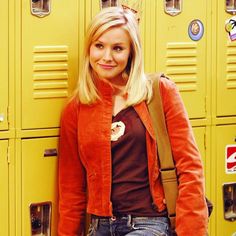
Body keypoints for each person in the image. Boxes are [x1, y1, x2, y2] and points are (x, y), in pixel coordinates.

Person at [58, 6, 208, 236]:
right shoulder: (76, 109)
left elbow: (190, 168)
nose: (107, 57)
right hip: (100, 226)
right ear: (89, 49)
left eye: (117, 48)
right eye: (99, 46)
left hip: (149, 223)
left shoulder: (159, 92)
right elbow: (71, 189)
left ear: (131, 53)